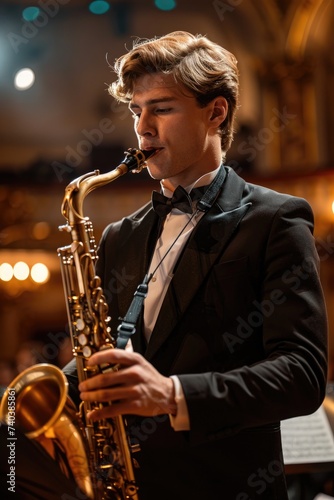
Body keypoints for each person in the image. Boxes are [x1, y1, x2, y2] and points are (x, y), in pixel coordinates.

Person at [0, 31, 328, 500]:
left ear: (217, 112)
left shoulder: (276, 220)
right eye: (136, 110)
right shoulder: (120, 236)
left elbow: (302, 374)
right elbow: (107, 348)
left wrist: (173, 395)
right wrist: (27, 400)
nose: (143, 127)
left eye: (162, 107)